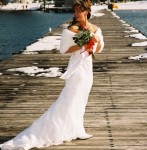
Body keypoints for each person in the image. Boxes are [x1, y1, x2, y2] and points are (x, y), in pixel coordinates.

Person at [0, 0, 104, 150]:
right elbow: (64, 50)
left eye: (77, 11)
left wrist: (94, 42)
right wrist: (82, 44)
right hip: (76, 70)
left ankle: (77, 129)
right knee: (70, 99)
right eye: (74, 11)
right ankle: (46, 132)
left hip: (88, 69)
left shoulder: (95, 28)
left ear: (86, 11)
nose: (75, 13)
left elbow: (100, 48)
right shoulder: (71, 29)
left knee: (81, 99)